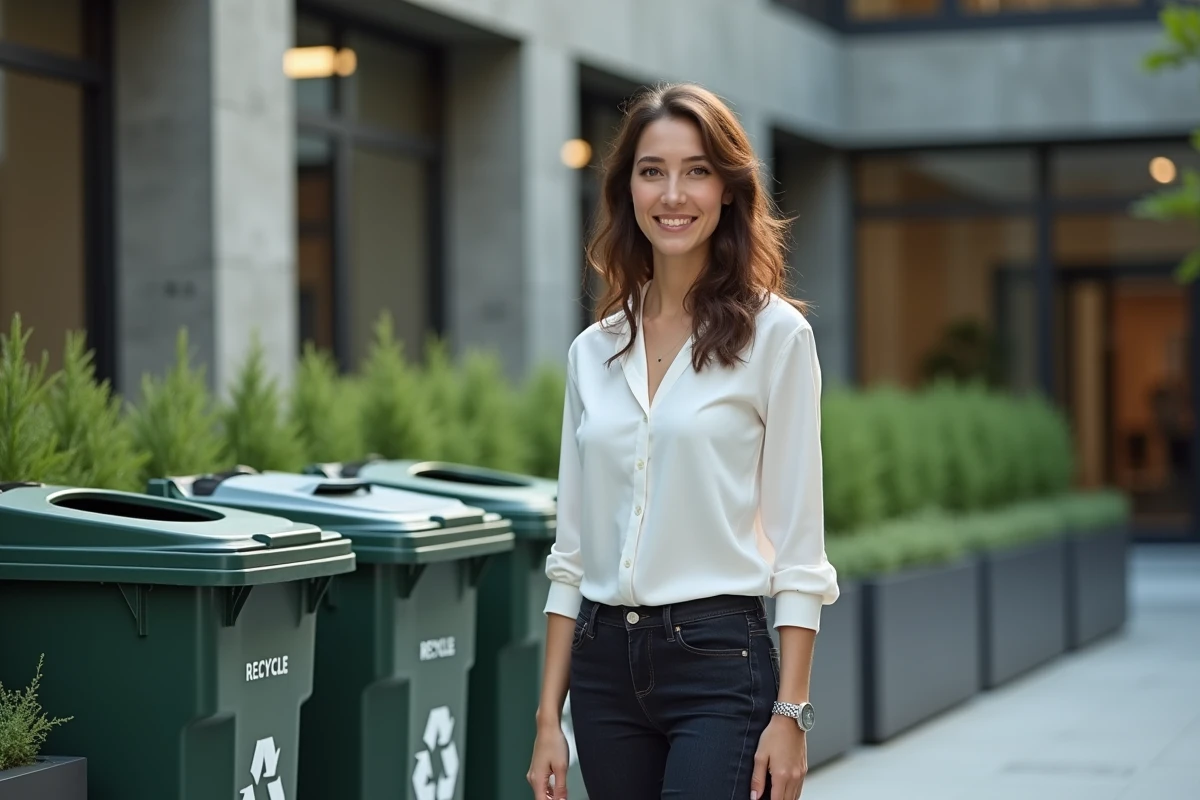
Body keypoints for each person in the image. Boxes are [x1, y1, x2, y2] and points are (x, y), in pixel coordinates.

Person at [527, 82, 840, 800]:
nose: (673, 193)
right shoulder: (592, 352)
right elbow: (571, 555)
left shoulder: (776, 339)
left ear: (729, 190)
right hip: (603, 670)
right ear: (626, 189)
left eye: (697, 170)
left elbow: (801, 550)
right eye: (651, 171)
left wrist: (791, 714)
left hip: (719, 663)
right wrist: (551, 715)